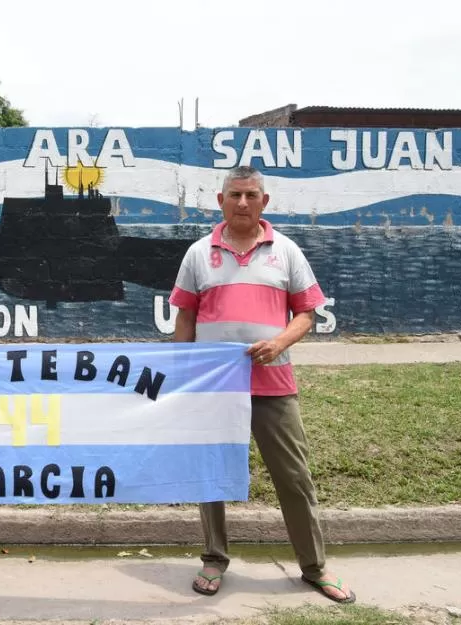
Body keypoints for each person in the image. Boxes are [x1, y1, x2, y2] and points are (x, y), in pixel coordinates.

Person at [168, 165, 355, 604]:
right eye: (235, 195)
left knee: (294, 478)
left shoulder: (286, 251)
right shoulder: (198, 254)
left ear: (264, 201)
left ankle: (314, 567)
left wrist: (280, 341)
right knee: (211, 478)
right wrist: (183, 372)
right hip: (215, 388)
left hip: (274, 384)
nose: (243, 203)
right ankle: (213, 558)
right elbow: (186, 316)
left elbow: (307, 312)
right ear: (221, 200)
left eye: (251, 195)